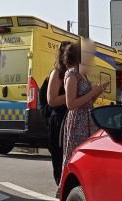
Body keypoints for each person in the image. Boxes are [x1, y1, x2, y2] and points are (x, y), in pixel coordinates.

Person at [61, 40, 106, 174]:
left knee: (87, 155)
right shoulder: (72, 74)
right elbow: (71, 104)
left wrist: (97, 93)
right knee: (75, 155)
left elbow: (88, 101)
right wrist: (92, 92)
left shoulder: (83, 74)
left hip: (88, 120)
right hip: (77, 122)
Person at [45, 41, 72, 185]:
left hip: (71, 118)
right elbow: (52, 100)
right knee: (58, 155)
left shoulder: (74, 72)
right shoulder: (57, 73)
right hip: (59, 119)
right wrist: (70, 94)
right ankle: (60, 184)